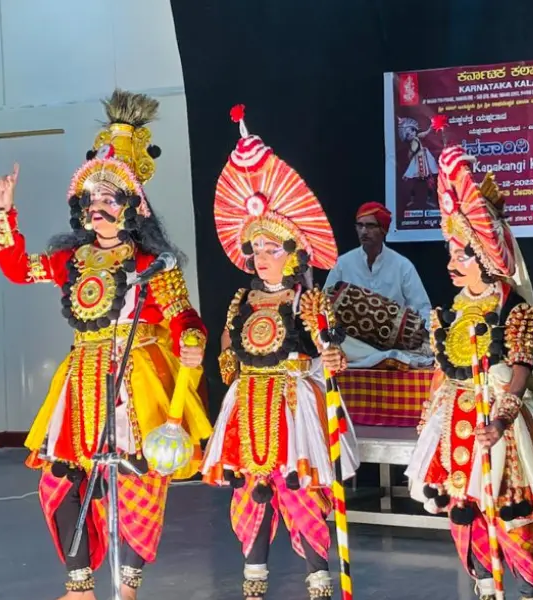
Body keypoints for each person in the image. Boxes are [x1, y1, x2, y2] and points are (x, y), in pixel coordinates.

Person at [0, 89, 212, 600]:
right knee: (61, 480)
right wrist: (4, 212)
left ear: (132, 207)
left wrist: (193, 341)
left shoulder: (151, 264)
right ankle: (79, 585)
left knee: (135, 485)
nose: (99, 207)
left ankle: (128, 587)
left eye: (110, 199)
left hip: (134, 380)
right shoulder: (71, 259)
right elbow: (19, 269)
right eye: (91, 199)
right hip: (81, 378)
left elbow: (183, 318)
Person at [201, 105, 360, 600]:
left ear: (292, 253)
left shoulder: (307, 299)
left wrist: (330, 359)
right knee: (251, 494)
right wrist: (225, 354)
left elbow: (327, 348)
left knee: (300, 492)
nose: (262, 258)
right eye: (256, 250)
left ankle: (317, 584)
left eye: (272, 249)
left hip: (293, 405)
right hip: (248, 404)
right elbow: (229, 348)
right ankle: (253, 585)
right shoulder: (240, 300)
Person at [405, 146, 533, 600]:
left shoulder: (512, 308)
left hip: (502, 426)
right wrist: (431, 416)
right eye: (450, 254)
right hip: (456, 423)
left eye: (460, 255)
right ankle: (484, 587)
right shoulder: (451, 312)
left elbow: (521, 369)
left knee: (513, 511)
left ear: (484, 256)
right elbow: (442, 372)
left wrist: (501, 420)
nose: (450, 264)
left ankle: (526, 592)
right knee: (462, 509)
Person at [324, 201, 432, 368]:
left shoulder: (402, 265)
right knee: (337, 344)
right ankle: (384, 358)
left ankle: (387, 357)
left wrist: (420, 332)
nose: (364, 231)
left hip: (394, 342)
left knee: (423, 347)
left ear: (383, 230)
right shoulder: (343, 263)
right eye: (359, 226)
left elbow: (423, 307)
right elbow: (324, 302)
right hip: (354, 344)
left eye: (370, 226)